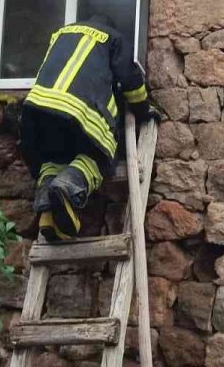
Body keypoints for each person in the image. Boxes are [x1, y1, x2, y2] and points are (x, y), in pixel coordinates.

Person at [17, 13, 159, 243]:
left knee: (56, 157)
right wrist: (143, 109)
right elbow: (130, 79)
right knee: (99, 155)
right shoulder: (113, 37)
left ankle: (47, 213)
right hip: (77, 108)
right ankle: (67, 187)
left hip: (37, 110)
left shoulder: (61, 34)